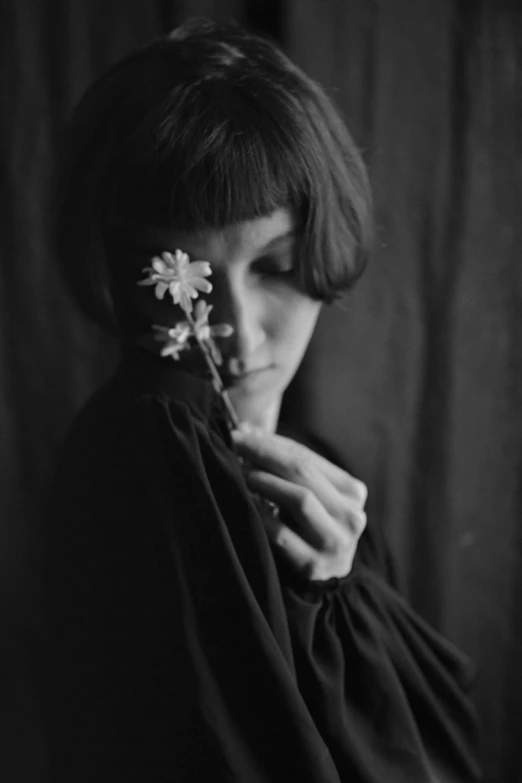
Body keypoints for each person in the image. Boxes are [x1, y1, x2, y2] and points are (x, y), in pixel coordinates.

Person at [44, 18, 480, 782]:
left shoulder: (325, 473)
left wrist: (328, 595)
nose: (238, 333)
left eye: (275, 268)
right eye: (189, 284)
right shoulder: (142, 472)